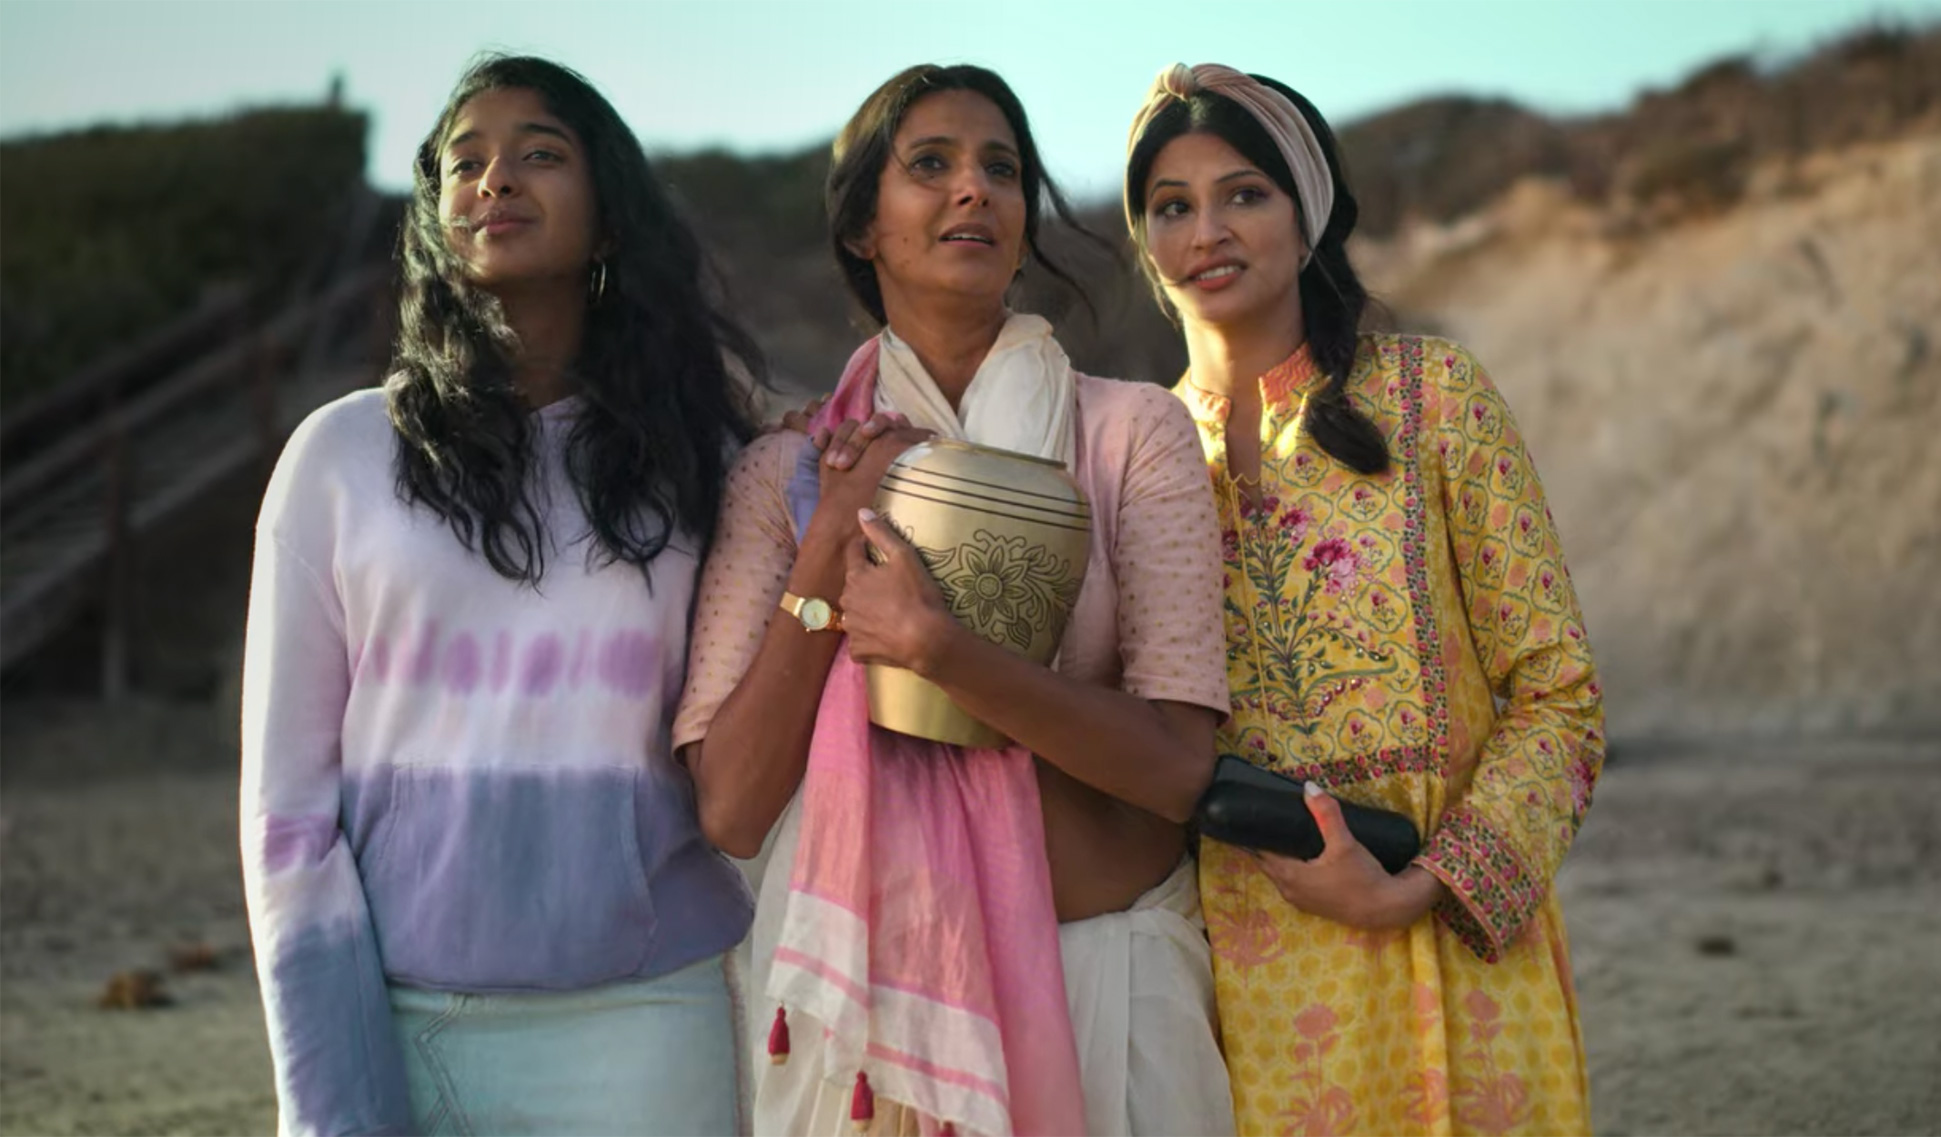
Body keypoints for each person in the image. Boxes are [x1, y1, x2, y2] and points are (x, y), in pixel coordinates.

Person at [674, 64, 1238, 1136]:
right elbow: (732, 808)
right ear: (862, 230)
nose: (972, 190)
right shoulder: (785, 476)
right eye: (928, 166)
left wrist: (944, 653)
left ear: (1025, 225)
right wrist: (832, 536)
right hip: (865, 1019)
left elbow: (1173, 771)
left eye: (1001, 169)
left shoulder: (1126, 436)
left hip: (1105, 991)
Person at [240, 55, 761, 1136]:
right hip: (404, 1014)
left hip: (648, 1020)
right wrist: (332, 1092)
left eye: (539, 154)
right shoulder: (338, 458)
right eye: (464, 163)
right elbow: (287, 817)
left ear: (609, 219)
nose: (494, 180)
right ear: (436, 218)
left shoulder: (701, 465)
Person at [1123, 64, 1605, 1135]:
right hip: (1240, 979)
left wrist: (1426, 883)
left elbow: (1559, 701)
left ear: (1307, 217)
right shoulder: (1130, 461)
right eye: (1171, 206)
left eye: (1243, 193)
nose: (1207, 228)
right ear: (1146, 249)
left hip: (1459, 951)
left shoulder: (1436, 400)